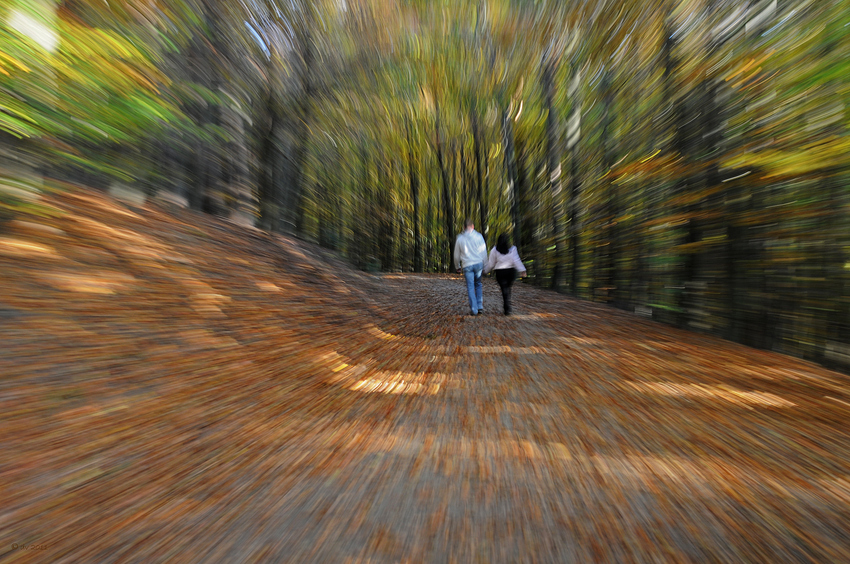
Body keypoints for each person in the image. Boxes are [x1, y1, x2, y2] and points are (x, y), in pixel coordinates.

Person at [484, 234, 527, 315]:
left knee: (504, 289)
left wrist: (486, 271)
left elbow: (491, 264)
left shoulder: (494, 250)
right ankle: (507, 306)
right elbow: (516, 260)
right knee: (508, 288)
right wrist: (522, 270)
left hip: (500, 272)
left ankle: (506, 307)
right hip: (511, 272)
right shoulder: (513, 249)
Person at [454, 218, 488, 315]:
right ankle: (480, 306)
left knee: (470, 286)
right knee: (478, 284)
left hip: (467, 265)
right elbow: (483, 251)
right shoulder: (479, 236)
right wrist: (486, 264)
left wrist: (457, 266)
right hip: (478, 264)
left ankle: (474, 309)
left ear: (464, 227)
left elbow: (456, 255)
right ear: (473, 226)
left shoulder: (460, 238)